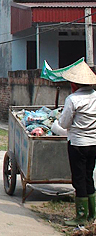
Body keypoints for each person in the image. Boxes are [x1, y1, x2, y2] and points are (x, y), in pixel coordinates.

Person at [58, 61, 96, 226]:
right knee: (89, 177)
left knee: (79, 179)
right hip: (94, 143)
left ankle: (80, 216)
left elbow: (64, 124)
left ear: (74, 84)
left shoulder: (73, 99)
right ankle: (92, 214)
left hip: (78, 144)